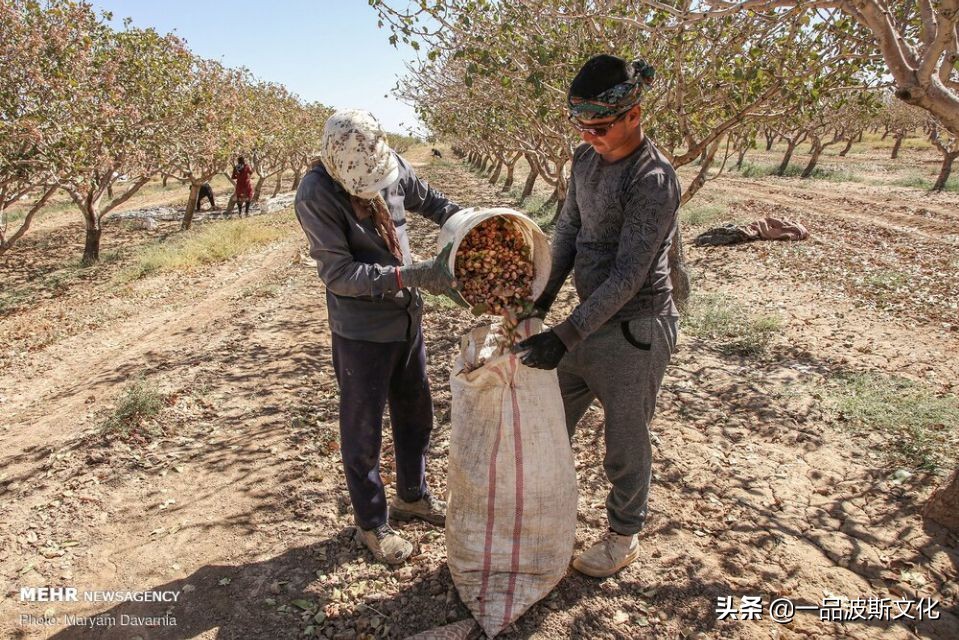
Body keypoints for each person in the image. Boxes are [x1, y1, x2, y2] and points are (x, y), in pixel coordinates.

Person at [512, 54, 680, 578]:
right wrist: (540, 300)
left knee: (625, 441)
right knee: (548, 421)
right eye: (581, 127)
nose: (590, 137)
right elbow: (567, 234)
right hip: (588, 321)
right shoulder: (585, 162)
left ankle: (623, 536)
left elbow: (629, 275)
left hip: (636, 329)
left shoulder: (652, 180)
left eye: (601, 127)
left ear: (634, 114)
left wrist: (564, 335)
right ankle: (546, 511)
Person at [294, 110, 463, 565]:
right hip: (362, 330)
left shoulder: (387, 165)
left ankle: (414, 495)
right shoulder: (316, 193)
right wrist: (412, 275)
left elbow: (434, 203)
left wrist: (472, 224)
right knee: (362, 429)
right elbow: (341, 274)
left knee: (416, 414)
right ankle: (371, 523)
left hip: (406, 319)